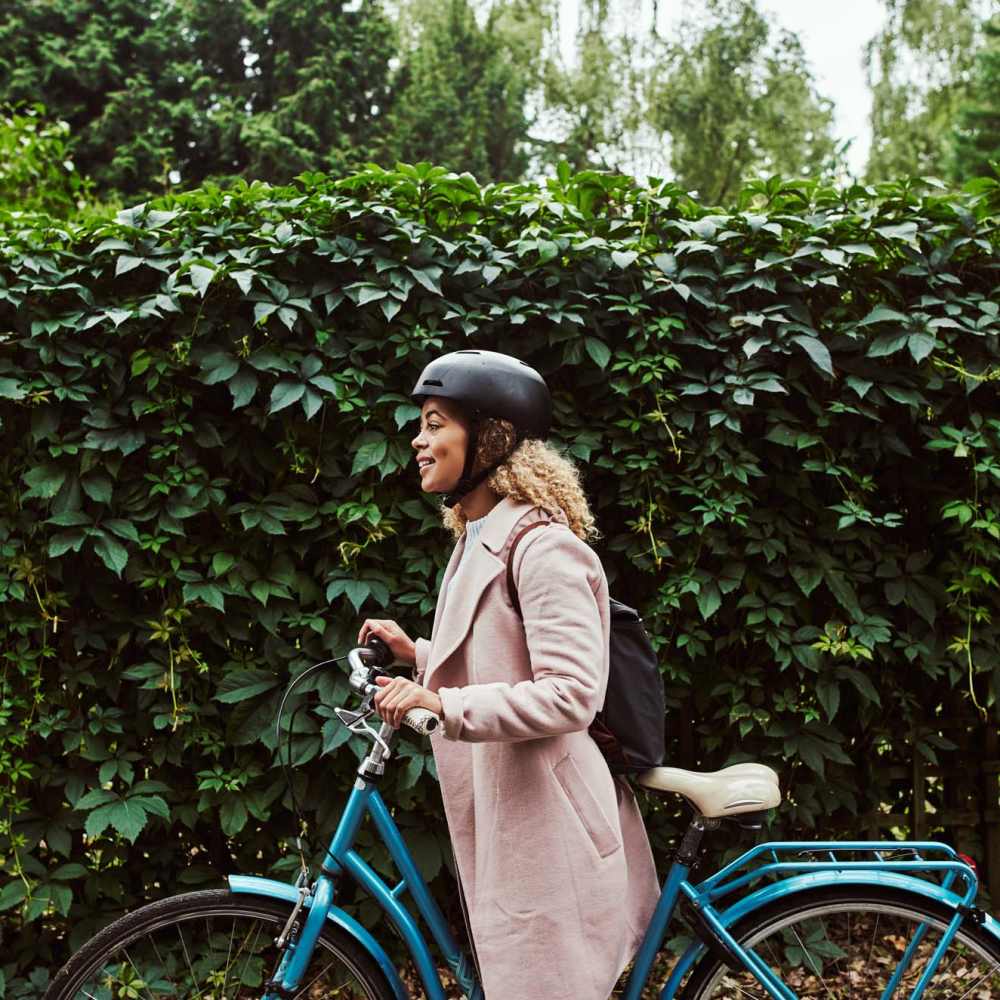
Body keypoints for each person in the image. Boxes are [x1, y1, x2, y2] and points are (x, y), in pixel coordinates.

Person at [358, 349, 660, 1000]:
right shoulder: (479, 537)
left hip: (552, 833)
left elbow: (570, 693)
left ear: (491, 438)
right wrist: (421, 654)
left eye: (435, 422)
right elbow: (505, 653)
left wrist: (442, 705)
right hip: (517, 813)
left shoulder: (544, 547)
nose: (419, 439)